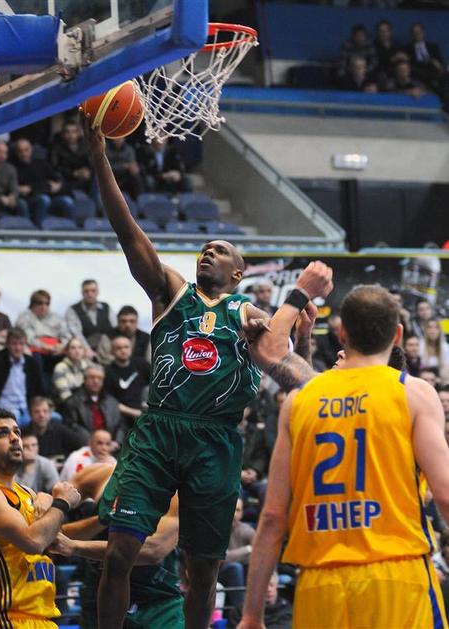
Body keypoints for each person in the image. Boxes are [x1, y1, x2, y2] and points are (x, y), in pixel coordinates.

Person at [81, 109, 333, 629]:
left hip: (215, 439)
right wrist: (99, 155)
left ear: (238, 273)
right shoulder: (170, 293)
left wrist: (303, 334)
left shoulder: (250, 314)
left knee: (202, 572)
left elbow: (292, 376)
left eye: (219, 251)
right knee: (120, 551)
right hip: (159, 429)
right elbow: (129, 233)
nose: (207, 253)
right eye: (204, 249)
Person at [238, 285, 449, 629]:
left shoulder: (300, 401)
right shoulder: (413, 393)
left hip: (319, 582)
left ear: (342, 334)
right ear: (397, 335)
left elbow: (274, 516)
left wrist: (251, 614)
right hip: (397, 573)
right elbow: (446, 495)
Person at [0, 408, 81, 628]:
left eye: (17, 432)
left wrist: (105, 518)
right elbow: (33, 542)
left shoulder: (27, 493)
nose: (15, 438)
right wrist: (61, 502)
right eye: (3, 433)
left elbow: (57, 539)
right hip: (2, 619)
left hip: (42, 619)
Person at [50, 463, 182, 629]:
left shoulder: (176, 491)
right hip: (98, 599)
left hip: (155, 605)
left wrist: (75, 547)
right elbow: (51, 530)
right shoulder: (101, 474)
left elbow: (153, 550)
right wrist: (101, 520)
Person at [0, 327, 44, 424]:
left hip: (27, 409)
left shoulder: (31, 363)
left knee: (55, 417)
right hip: (4, 410)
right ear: (7, 344)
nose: (18, 348)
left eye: (21, 344)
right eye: (14, 344)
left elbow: (39, 391)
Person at [13, 137, 75, 226]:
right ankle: (41, 230)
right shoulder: (14, 167)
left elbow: (58, 180)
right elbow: (22, 189)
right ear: (16, 152)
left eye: (26, 150)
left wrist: (58, 185)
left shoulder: (41, 163)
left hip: (50, 197)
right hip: (30, 200)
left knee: (67, 201)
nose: (24, 153)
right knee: (44, 199)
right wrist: (46, 185)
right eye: (20, 151)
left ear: (31, 149)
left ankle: (70, 229)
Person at [61, 364, 125, 445]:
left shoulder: (112, 402)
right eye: (92, 377)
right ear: (84, 379)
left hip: (110, 446)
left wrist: (116, 442)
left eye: (100, 378)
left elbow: (120, 426)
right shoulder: (72, 402)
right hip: (84, 446)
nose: (96, 381)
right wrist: (93, 443)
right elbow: (71, 427)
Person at [104, 335, 150, 429]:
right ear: (112, 351)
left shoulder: (141, 364)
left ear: (131, 349)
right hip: (122, 415)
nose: (123, 350)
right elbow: (109, 401)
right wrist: (133, 412)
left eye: (126, 347)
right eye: (119, 348)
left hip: (145, 409)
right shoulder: (108, 372)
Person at [219, 497, 255, 612]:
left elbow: (261, 553)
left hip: (243, 575)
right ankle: (241, 611)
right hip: (215, 573)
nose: (234, 514)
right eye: (231, 508)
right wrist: (247, 550)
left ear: (242, 513)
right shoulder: (215, 528)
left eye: (238, 510)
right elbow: (220, 558)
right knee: (234, 568)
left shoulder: (247, 531)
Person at [65, 279, 115, 357]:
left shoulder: (106, 307)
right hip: (86, 352)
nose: (90, 294)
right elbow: (76, 333)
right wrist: (87, 349)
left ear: (97, 292)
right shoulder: (73, 310)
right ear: (82, 293)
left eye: (93, 291)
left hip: (109, 349)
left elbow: (115, 327)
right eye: (86, 291)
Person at [27, 396, 83, 460]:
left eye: (45, 411)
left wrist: (65, 459)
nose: (42, 415)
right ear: (30, 414)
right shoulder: (24, 434)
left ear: (50, 413)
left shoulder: (60, 429)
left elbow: (80, 446)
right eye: (37, 412)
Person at [50, 121, 92, 194]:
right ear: (63, 134)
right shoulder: (56, 148)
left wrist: (87, 170)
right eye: (67, 132)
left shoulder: (85, 146)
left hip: (85, 177)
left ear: (78, 133)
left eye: (74, 132)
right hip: (66, 178)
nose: (71, 135)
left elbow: (92, 162)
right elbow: (55, 167)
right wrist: (73, 173)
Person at [52, 337, 89, 405]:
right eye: (73, 348)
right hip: (66, 405)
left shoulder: (87, 367)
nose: (77, 351)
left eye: (80, 348)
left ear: (83, 351)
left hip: (85, 403)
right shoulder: (60, 368)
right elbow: (64, 395)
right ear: (66, 352)